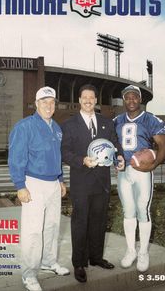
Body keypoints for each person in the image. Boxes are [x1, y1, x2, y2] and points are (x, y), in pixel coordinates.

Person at [61, 84, 125, 283]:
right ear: (79, 100)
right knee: (80, 223)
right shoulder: (69, 125)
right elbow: (65, 152)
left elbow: (115, 145)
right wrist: (81, 160)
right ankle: (79, 263)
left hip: (102, 182)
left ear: (96, 100)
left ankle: (96, 257)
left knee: (99, 220)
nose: (88, 101)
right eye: (84, 98)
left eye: (92, 97)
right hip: (81, 181)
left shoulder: (107, 123)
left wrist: (120, 158)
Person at [8, 86, 70, 291]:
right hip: (33, 183)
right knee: (33, 231)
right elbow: (16, 158)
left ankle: (48, 261)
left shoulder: (57, 127)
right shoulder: (24, 126)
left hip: (53, 183)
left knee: (52, 226)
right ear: (36, 104)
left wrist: (60, 179)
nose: (48, 106)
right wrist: (20, 185)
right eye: (44, 102)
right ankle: (29, 274)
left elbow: (57, 158)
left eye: (52, 102)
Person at [114, 85, 165, 272]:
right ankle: (131, 250)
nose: (131, 100)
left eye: (134, 97)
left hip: (142, 172)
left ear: (140, 99)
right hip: (124, 172)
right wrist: (115, 160)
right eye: (127, 97)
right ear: (123, 100)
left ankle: (143, 251)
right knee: (128, 212)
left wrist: (153, 165)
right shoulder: (117, 120)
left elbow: (163, 145)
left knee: (142, 211)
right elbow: (112, 146)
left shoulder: (150, 119)